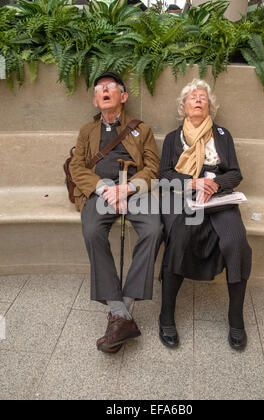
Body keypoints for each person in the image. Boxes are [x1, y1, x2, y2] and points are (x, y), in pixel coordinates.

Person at [70, 72, 163, 354]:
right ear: (96, 100)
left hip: (133, 190)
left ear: (123, 97)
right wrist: (102, 188)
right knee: (92, 231)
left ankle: (124, 310)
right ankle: (119, 313)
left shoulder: (142, 129)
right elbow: (77, 168)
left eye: (111, 87)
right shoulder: (87, 131)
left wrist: (128, 189)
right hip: (100, 192)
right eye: (100, 89)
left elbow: (153, 168)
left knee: (154, 230)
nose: (105, 91)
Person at [158, 79, 252, 351]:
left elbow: (235, 173)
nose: (198, 100)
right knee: (179, 237)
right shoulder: (173, 138)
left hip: (219, 198)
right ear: (184, 107)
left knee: (236, 242)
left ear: (210, 106)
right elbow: (164, 175)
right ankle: (166, 314)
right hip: (184, 198)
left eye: (203, 97)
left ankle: (236, 318)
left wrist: (216, 184)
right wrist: (193, 182)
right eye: (192, 97)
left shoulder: (222, 135)